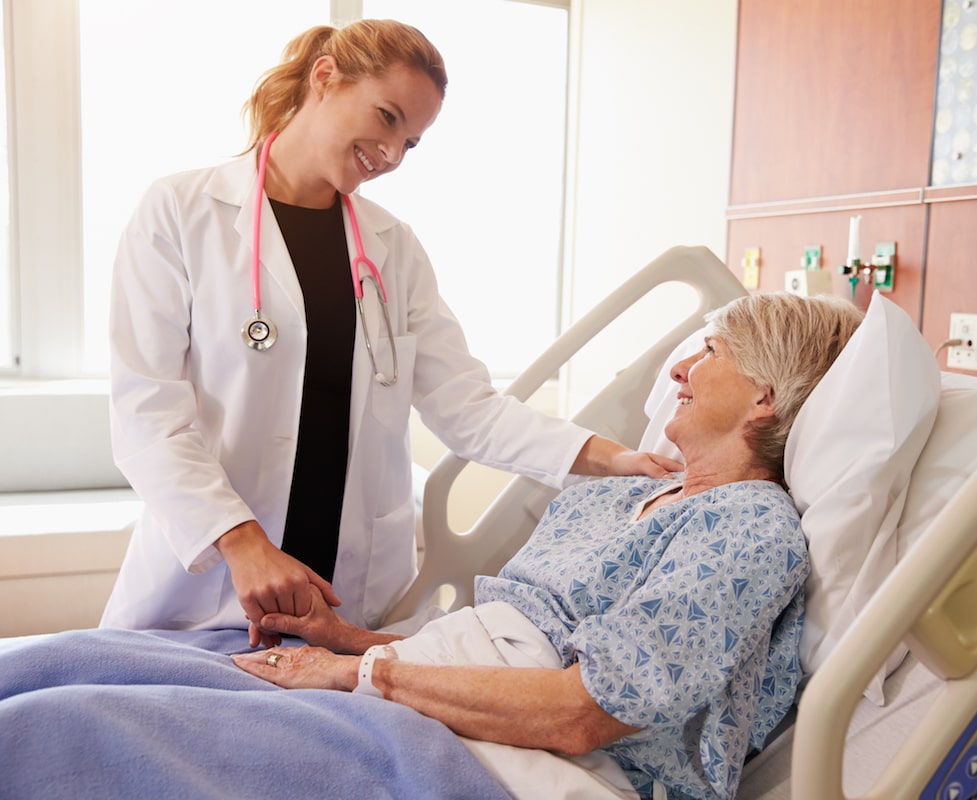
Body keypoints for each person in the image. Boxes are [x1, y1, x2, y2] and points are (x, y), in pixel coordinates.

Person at [0, 292, 862, 800]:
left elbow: (580, 711)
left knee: (61, 731)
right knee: (65, 661)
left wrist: (366, 673)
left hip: (510, 764)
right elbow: (503, 642)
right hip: (428, 688)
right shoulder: (622, 496)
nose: (678, 369)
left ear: (764, 396)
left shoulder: (746, 529)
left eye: (706, 353)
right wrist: (350, 642)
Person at [100, 19, 680, 647]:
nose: (393, 154)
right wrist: (243, 544)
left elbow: (469, 409)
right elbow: (148, 416)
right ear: (325, 78)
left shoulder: (391, 249)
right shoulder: (181, 212)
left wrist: (614, 458)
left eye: (412, 142)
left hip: (347, 608)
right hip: (209, 595)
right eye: (387, 118)